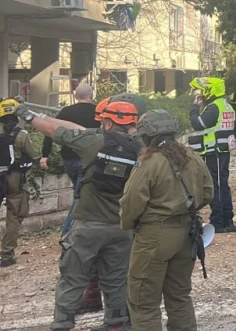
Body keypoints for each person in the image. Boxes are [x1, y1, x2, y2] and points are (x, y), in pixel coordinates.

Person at [17, 97, 143, 330]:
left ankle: (63, 323)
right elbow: (80, 129)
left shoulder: (92, 143)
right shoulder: (142, 148)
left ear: (106, 122)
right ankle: (116, 323)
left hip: (88, 225)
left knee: (73, 277)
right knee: (116, 278)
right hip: (123, 226)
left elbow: (59, 131)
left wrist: (29, 115)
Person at [121, 110, 214, 331]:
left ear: (146, 135)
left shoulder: (149, 162)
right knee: (180, 297)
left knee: (143, 302)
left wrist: (129, 225)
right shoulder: (193, 157)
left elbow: (131, 202)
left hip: (154, 236)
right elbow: (208, 192)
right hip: (187, 233)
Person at [40, 84, 100, 236]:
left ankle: (78, 231)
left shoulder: (66, 111)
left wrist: (45, 154)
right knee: (79, 198)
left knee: (79, 193)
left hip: (69, 159)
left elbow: (51, 131)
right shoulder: (98, 112)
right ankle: (67, 233)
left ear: (75, 96)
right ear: (91, 95)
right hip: (89, 161)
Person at [189, 77, 236, 231]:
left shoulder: (214, 107)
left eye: (203, 91)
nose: (201, 94)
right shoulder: (225, 105)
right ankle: (227, 218)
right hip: (221, 151)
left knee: (215, 186)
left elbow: (197, 124)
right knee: (223, 184)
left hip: (214, 152)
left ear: (211, 91)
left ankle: (218, 221)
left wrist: (194, 108)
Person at [1, 99, 34, 268]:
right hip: (14, 178)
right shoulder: (21, 135)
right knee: (14, 215)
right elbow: (33, 154)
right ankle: (7, 254)